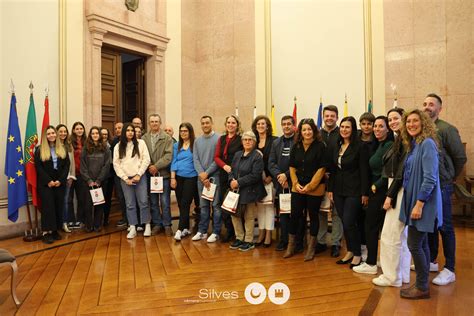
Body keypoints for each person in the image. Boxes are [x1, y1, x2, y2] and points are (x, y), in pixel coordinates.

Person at [423, 93, 467, 286]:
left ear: (439, 109)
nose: (427, 107)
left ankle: (450, 268)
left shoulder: (447, 129)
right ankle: (432, 260)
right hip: (428, 185)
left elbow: (460, 157)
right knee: (431, 225)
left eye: (431, 104)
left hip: (442, 185)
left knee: (445, 226)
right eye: (424, 104)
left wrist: (449, 176)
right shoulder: (422, 130)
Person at [399, 109, 442, 300]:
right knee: (421, 243)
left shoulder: (428, 144)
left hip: (423, 202)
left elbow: (430, 178)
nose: (411, 124)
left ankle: (423, 286)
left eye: (415, 121)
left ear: (423, 123)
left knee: (414, 243)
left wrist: (419, 204)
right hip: (415, 200)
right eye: (408, 122)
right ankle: (421, 284)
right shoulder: (414, 144)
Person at [373, 107, 411, 287]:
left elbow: (400, 173)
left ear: (404, 119)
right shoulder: (400, 140)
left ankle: (391, 277)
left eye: (396, 118)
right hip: (397, 188)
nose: (392, 122)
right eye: (390, 119)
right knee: (400, 236)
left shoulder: (405, 142)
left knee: (390, 235)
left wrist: (390, 195)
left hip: (399, 190)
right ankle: (402, 275)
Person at [353, 116, 393, 274]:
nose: (376, 129)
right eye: (375, 126)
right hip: (376, 190)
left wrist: (375, 186)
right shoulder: (379, 145)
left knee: (371, 227)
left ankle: (370, 264)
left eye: (380, 126)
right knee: (375, 227)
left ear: (387, 129)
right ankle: (376, 260)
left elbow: (388, 172)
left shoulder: (389, 145)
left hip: (380, 191)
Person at [328, 116, 369, 268]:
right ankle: (350, 251)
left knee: (350, 221)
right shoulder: (337, 145)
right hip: (338, 190)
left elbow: (364, 171)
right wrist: (330, 189)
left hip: (355, 190)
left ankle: (358, 254)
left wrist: (365, 193)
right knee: (344, 222)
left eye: (347, 127)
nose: (344, 130)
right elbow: (333, 170)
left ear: (353, 129)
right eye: (342, 127)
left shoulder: (360, 147)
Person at [284, 118, 328, 261]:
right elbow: (292, 167)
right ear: (300, 132)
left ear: (314, 130)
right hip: (298, 187)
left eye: (309, 129)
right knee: (295, 215)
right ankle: (291, 247)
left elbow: (322, 169)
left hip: (315, 188)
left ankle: (311, 249)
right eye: (304, 130)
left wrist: (310, 186)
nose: (307, 132)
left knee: (313, 216)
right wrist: (295, 183)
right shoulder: (296, 146)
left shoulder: (321, 146)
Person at [228, 131, 266, 252]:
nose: (247, 142)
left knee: (248, 216)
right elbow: (231, 170)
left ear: (254, 142)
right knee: (234, 215)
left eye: (250, 140)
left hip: (250, 190)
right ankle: (239, 238)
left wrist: (238, 182)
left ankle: (249, 240)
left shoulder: (257, 156)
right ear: (242, 142)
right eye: (245, 139)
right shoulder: (237, 154)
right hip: (235, 190)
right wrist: (231, 181)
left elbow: (255, 175)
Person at [268, 115, 301, 252]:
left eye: (289, 124)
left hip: (295, 183)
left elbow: (299, 162)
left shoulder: (299, 141)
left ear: (294, 126)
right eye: (284, 124)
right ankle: (284, 240)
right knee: (283, 214)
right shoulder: (276, 142)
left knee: (296, 214)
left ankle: (298, 242)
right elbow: (271, 162)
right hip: (280, 184)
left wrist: (286, 175)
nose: (286, 126)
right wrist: (279, 176)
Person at [113, 123, 152, 239]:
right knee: (130, 204)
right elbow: (116, 164)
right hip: (126, 179)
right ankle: (133, 227)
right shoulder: (118, 146)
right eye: (128, 130)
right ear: (124, 132)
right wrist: (125, 178)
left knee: (143, 202)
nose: (130, 132)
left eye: (132, 130)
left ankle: (147, 225)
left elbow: (146, 159)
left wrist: (139, 174)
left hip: (140, 177)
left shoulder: (141, 143)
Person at [316, 105, 343, 257]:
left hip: (338, 178)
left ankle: (336, 243)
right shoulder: (317, 134)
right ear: (323, 116)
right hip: (319, 179)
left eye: (332, 116)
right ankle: (320, 242)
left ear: (337, 117)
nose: (329, 118)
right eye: (327, 116)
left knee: (336, 212)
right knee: (321, 210)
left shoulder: (342, 133)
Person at [35, 126, 70, 244]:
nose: (51, 135)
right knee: (48, 207)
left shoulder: (63, 148)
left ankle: (54, 230)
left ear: (56, 134)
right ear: (45, 136)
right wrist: (48, 181)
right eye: (48, 134)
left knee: (57, 206)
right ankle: (46, 232)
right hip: (46, 184)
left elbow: (66, 166)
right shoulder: (40, 150)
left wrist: (60, 180)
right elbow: (38, 168)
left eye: (53, 133)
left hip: (59, 183)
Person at [142, 114, 174, 236]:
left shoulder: (167, 138)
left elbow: (168, 155)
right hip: (150, 175)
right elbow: (143, 155)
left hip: (163, 175)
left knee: (165, 201)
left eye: (156, 121)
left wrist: (156, 166)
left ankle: (167, 225)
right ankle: (157, 224)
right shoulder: (144, 138)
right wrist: (150, 166)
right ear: (149, 123)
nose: (154, 123)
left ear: (160, 123)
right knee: (153, 202)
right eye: (152, 121)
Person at [192, 115, 221, 243]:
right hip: (201, 179)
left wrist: (207, 173)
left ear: (212, 123)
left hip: (215, 177)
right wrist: (201, 174)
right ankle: (202, 231)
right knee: (203, 206)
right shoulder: (197, 141)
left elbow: (217, 159)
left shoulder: (219, 139)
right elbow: (195, 159)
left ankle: (216, 232)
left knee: (215, 206)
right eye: (203, 123)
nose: (205, 125)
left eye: (207, 123)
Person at [214, 115, 243, 242]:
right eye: (228, 122)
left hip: (236, 176)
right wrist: (224, 166)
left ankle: (239, 233)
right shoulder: (221, 139)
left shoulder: (241, 139)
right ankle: (229, 231)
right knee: (224, 204)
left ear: (237, 125)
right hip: (223, 174)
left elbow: (244, 155)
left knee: (235, 204)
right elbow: (216, 157)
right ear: (226, 125)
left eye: (233, 123)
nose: (230, 125)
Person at [251, 115, 277, 247]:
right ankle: (260, 232)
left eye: (263, 124)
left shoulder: (274, 141)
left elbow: (276, 161)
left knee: (269, 207)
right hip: (257, 180)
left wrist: (271, 176)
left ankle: (268, 234)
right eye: (258, 124)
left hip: (269, 179)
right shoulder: (253, 141)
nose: (261, 126)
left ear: (268, 126)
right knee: (260, 208)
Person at [171, 122, 198, 241]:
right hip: (178, 177)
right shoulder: (176, 145)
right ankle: (186, 228)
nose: (183, 133)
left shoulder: (195, 144)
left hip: (191, 177)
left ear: (190, 132)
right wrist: (173, 178)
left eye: (185, 131)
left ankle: (179, 230)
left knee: (186, 202)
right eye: (181, 131)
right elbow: (174, 161)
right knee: (181, 204)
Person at [80, 126, 111, 232]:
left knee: (99, 204)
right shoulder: (85, 148)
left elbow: (106, 165)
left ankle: (97, 225)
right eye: (93, 134)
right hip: (87, 182)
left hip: (101, 182)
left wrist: (98, 180)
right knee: (88, 205)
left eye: (97, 133)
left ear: (100, 135)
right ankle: (89, 225)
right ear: (90, 135)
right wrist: (89, 180)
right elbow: (83, 166)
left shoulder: (105, 148)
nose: (95, 135)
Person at [56, 124, 76, 233]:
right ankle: (57, 223)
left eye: (65, 131)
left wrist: (71, 176)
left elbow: (72, 162)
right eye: (61, 131)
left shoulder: (69, 145)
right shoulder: (53, 146)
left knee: (66, 201)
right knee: (57, 201)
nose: (63, 133)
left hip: (68, 178)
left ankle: (64, 222)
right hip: (57, 180)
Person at [68, 122, 87, 229]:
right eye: (77, 129)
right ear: (74, 130)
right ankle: (71, 220)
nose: (79, 130)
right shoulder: (69, 142)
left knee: (81, 198)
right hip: (71, 174)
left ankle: (80, 219)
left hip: (82, 174)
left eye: (81, 128)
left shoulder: (86, 142)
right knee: (69, 198)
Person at [111, 122, 128, 227]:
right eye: (116, 128)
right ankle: (125, 217)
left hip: (129, 173)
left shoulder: (130, 141)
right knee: (121, 197)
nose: (117, 130)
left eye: (120, 128)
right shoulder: (114, 142)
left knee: (129, 197)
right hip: (118, 174)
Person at [100, 127, 114, 226]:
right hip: (99, 177)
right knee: (99, 198)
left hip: (109, 176)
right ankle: (98, 218)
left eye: (106, 134)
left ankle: (106, 218)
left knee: (107, 198)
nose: (104, 136)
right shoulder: (96, 146)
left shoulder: (111, 145)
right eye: (102, 134)